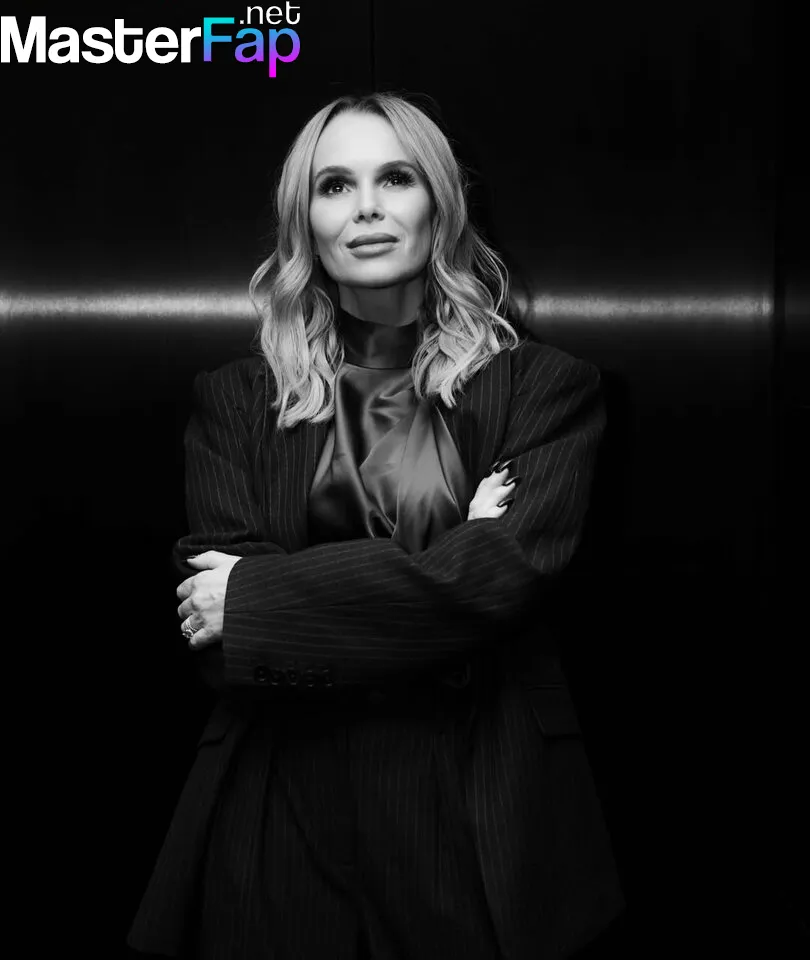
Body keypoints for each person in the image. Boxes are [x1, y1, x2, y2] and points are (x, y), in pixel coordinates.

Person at [128, 91, 624, 960]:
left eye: (395, 178)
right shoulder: (236, 400)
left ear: (440, 201)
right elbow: (213, 629)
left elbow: (497, 580)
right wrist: (446, 557)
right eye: (334, 185)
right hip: (283, 803)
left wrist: (262, 598)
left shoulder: (543, 388)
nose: (365, 207)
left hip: (475, 800)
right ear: (306, 220)